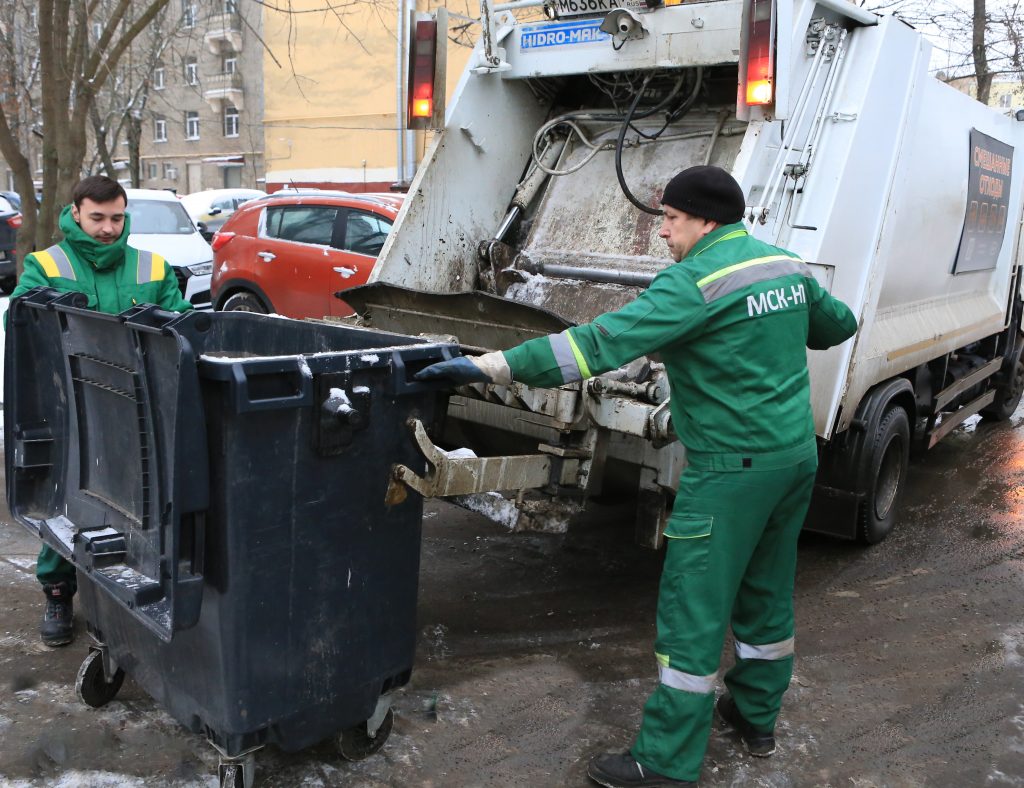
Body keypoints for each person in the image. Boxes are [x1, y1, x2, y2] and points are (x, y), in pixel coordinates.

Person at [415, 165, 858, 787]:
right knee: (766, 591)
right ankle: (756, 717)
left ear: (705, 219)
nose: (664, 234)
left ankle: (667, 762)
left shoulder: (692, 283)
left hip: (730, 473)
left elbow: (591, 347)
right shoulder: (784, 265)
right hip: (793, 462)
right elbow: (839, 326)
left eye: (671, 220)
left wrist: (485, 367)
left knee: (694, 615)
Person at [8, 175, 192, 647]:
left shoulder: (152, 266)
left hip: (142, 411)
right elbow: (23, 324)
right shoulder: (47, 264)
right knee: (68, 507)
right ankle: (57, 590)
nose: (108, 228)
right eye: (98, 218)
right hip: (74, 413)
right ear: (75, 214)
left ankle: (130, 593)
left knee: (143, 509)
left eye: (116, 218)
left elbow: (184, 325)